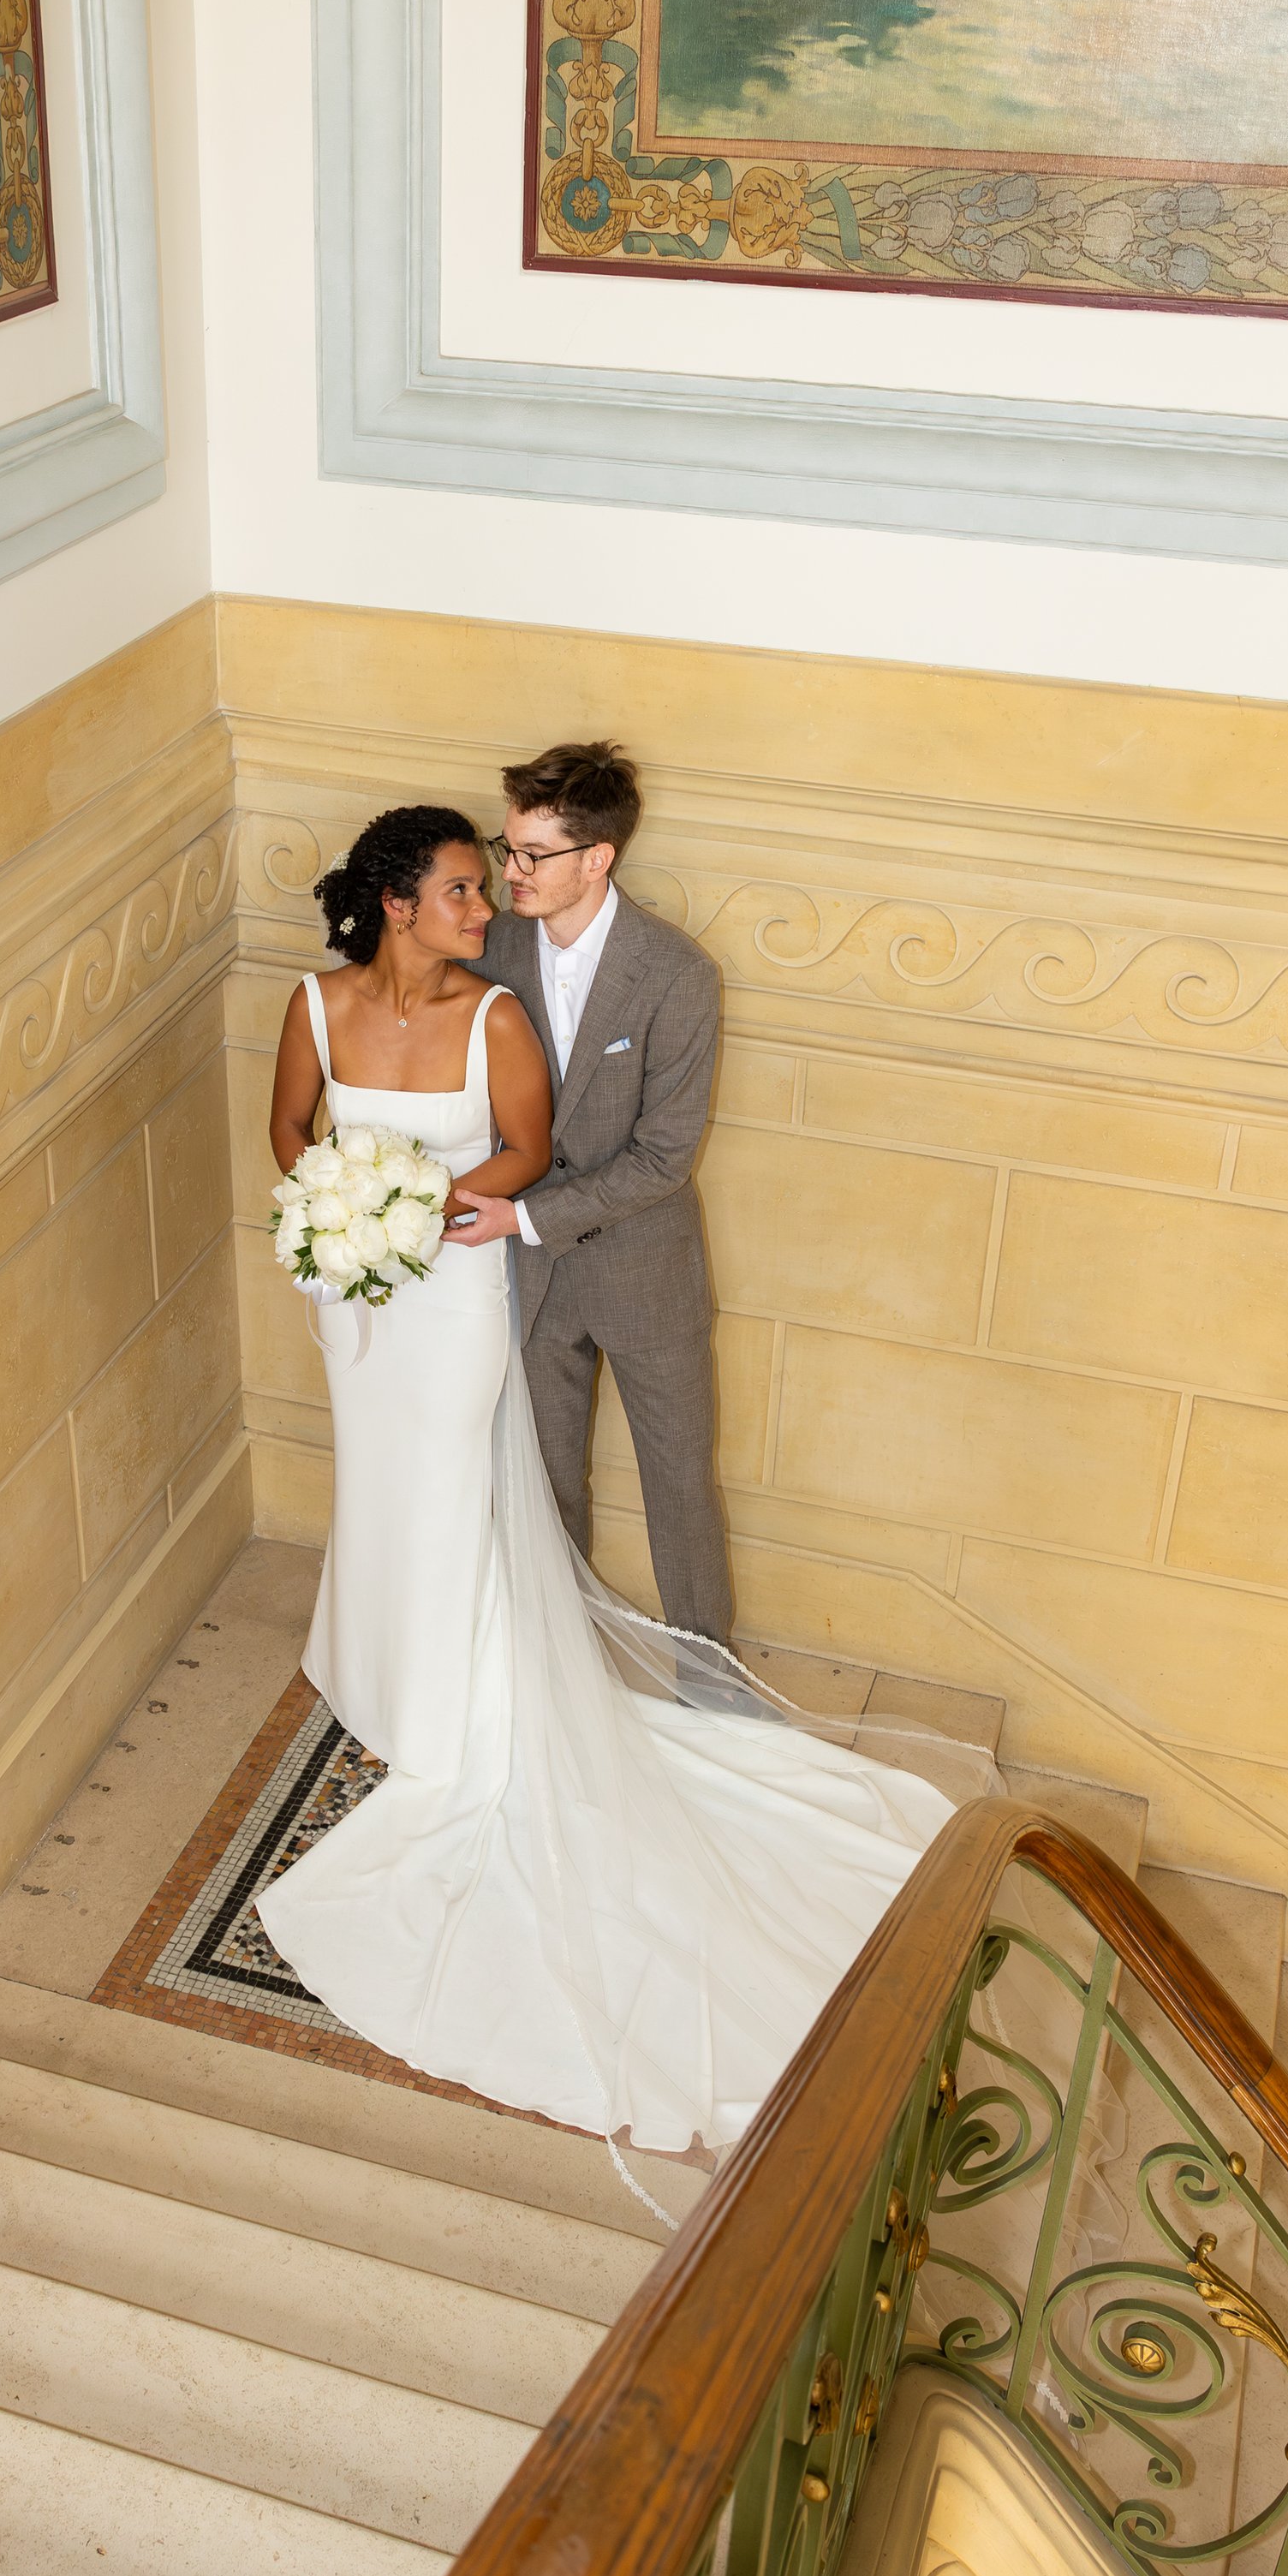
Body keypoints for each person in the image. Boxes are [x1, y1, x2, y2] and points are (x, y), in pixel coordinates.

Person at [255, 803, 988, 2162]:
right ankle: (378, 1667)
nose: (492, 901)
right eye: (471, 884)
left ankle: (492, 1691)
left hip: (467, 1277)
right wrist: (333, 1209)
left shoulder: (517, 1009)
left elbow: (545, 1152)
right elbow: (290, 1135)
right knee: (384, 1481)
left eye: (508, 874)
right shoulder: (315, 1002)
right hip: (364, 1301)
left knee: (498, 1478)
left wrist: (413, 1206)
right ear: (399, 900)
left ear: (594, 857)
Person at [450, 742, 732, 1648]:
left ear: (598, 858)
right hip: (524, 1281)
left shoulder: (678, 975)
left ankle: (711, 1673)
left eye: (535, 855)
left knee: (680, 1480)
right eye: (508, 849)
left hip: (646, 1272)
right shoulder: (488, 947)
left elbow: (662, 1157)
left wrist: (524, 1215)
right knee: (544, 1480)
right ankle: (555, 1665)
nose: (514, 873)